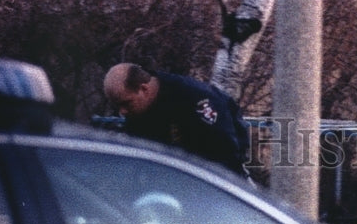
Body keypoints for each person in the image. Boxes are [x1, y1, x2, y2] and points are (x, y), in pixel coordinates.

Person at [103, 63, 250, 177]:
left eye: (126, 103)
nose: (122, 111)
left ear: (144, 89)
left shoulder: (193, 98)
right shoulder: (137, 111)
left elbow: (226, 155)